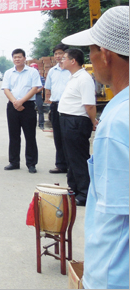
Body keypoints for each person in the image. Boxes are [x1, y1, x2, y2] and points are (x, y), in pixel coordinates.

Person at [61, 6, 128, 289]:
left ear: (106, 54)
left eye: (91, 51)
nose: (91, 59)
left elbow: (118, 209)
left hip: (115, 273)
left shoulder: (117, 123)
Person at [57, 48, 97, 206]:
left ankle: (85, 193)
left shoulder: (84, 78)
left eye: (64, 58)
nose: (61, 60)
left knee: (78, 158)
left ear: (73, 61)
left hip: (76, 121)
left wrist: (93, 122)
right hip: (67, 119)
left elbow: (89, 105)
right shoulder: (73, 77)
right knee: (70, 157)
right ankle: (73, 188)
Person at [1, 48, 42, 173]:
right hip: (12, 106)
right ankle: (14, 162)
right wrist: (15, 102)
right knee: (13, 135)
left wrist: (21, 101)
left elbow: (34, 88)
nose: (17, 59)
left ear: (24, 58)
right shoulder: (8, 73)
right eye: (15, 57)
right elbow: (6, 89)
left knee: (30, 136)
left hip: (28, 106)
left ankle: (31, 163)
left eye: (19, 57)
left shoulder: (32, 72)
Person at [44, 43, 71, 174]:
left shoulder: (71, 70)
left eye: (60, 53)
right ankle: (60, 164)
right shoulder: (52, 71)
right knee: (58, 136)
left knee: (69, 136)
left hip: (69, 106)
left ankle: (71, 165)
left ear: (66, 54)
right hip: (55, 105)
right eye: (56, 54)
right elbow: (48, 88)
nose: (58, 56)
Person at [29, 63, 46, 129]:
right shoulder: (28, 77)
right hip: (29, 95)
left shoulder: (40, 77)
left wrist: (35, 91)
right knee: (30, 110)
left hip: (37, 95)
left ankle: (41, 124)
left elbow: (42, 86)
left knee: (40, 109)